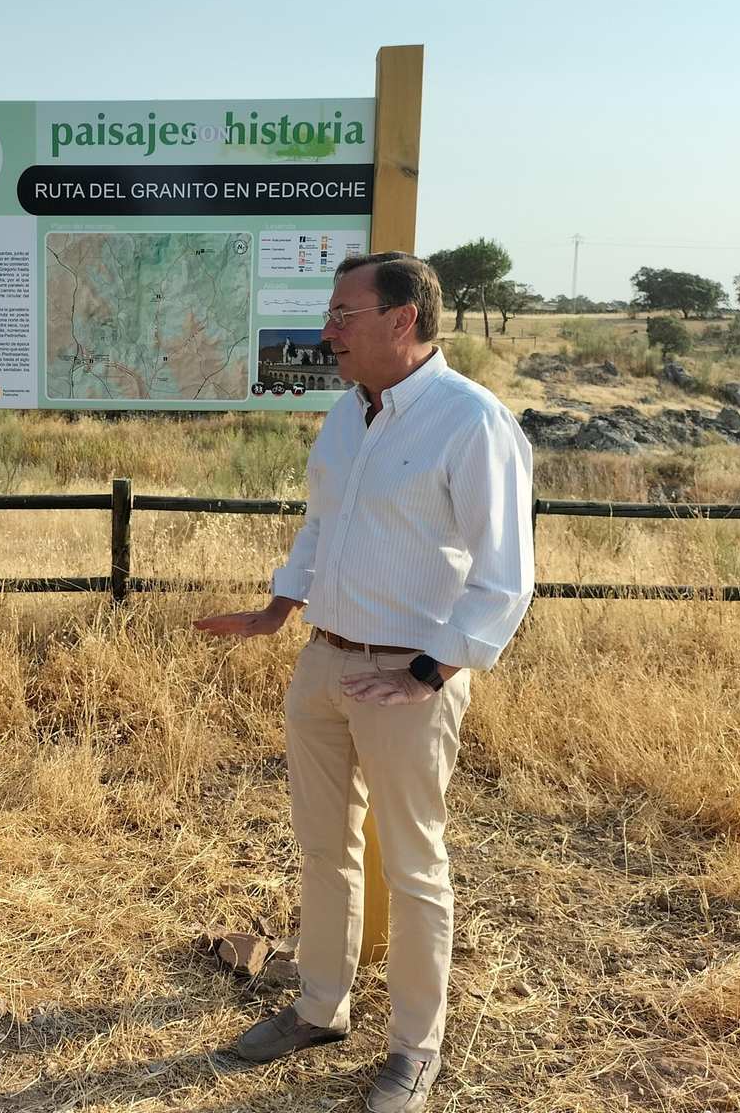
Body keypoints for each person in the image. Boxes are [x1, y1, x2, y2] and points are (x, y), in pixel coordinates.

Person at [195, 252, 533, 1113]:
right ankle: (319, 1008)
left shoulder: (472, 422)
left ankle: (415, 1051)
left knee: (414, 867)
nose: (327, 332)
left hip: (410, 677)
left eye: (344, 315)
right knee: (322, 849)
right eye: (330, 315)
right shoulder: (348, 414)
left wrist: (428, 673)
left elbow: (505, 576)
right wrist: (279, 609)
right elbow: (322, 524)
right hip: (324, 660)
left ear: (402, 319)